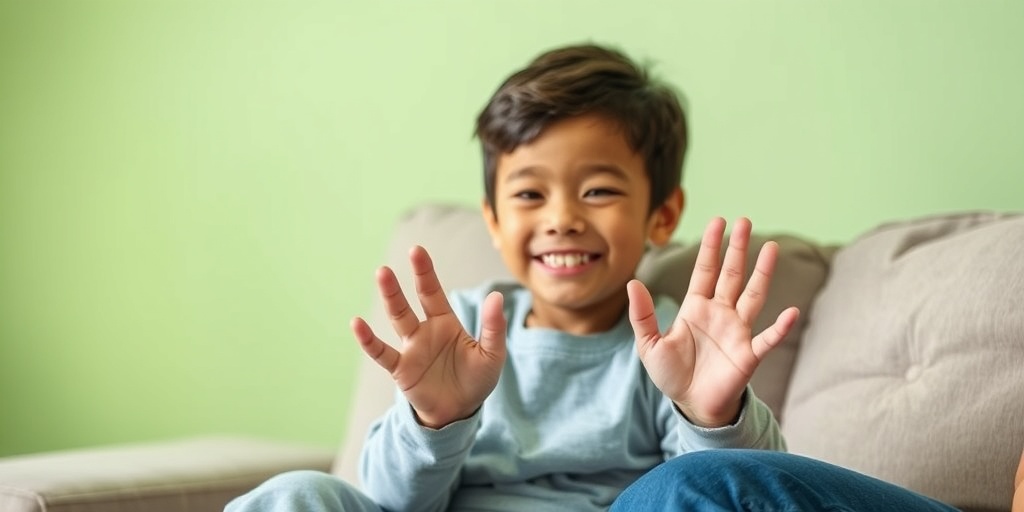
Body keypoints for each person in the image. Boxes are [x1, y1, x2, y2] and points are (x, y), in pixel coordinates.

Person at [225, 44, 967, 511]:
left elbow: (736, 493)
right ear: (493, 221)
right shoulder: (459, 334)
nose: (562, 218)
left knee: (671, 492)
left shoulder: (670, 347)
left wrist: (713, 415)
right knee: (298, 495)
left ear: (661, 214)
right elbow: (390, 500)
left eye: (599, 190)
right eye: (529, 194)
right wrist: (434, 423)